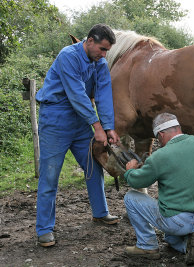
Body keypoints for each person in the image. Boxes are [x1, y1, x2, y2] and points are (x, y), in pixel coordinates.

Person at [35, 24, 120, 247]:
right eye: (101, 49)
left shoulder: (100, 62)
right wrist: (97, 126)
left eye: (107, 51)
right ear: (90, 41)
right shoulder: (68, 56)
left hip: (79, 120)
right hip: (55, 118)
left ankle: (100, 213)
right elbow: (77, 94)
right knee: (50, 174)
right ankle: (44, 229)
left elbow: (103, 93)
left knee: (94, 165)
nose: (103, 55)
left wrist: (109, 127)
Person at [123, 113, 194, 264]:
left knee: (131, 198)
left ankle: (147, 246)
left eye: (158, 139)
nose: (159, 143)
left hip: (177, 221)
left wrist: (130, 170)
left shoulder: (160, 156)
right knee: (169, 238)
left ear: (161, 135)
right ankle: (188, 246)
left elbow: (138, 182)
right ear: (178, 128)